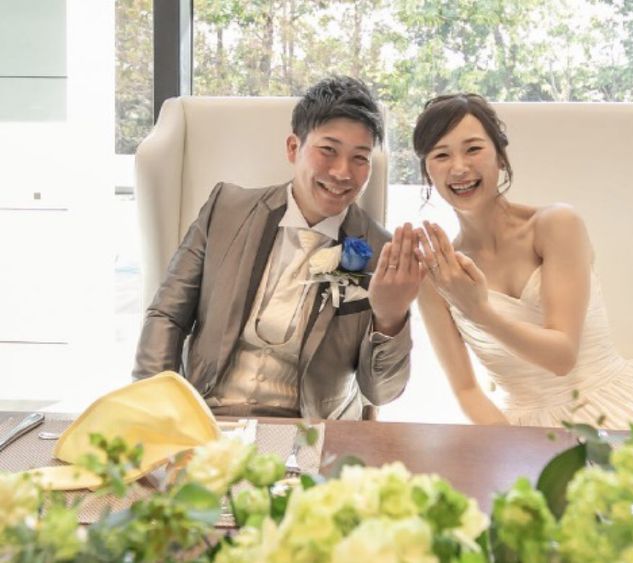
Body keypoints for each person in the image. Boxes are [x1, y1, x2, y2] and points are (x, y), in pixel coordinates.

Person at [412, 93, 633, 433]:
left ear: (500, 157)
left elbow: (562, 356)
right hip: (522, 431)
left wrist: (479, 311)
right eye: (441, 155)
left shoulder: (556, 225)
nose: (459, 167)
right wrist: (511, 446)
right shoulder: (435, 278)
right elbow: (467, 391)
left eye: (473, 149)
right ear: (428, 171)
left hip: (618, 411)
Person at [133, 76, 421, 420]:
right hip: (208, 417)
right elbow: (167, 314)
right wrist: (153, 408)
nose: (343, 172)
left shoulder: (380, 250)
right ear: (293, 148)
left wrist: (391, 318)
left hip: (313, 429)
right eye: (328, 150)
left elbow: (381, 393)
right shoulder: (226, 210)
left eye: (360, 158)